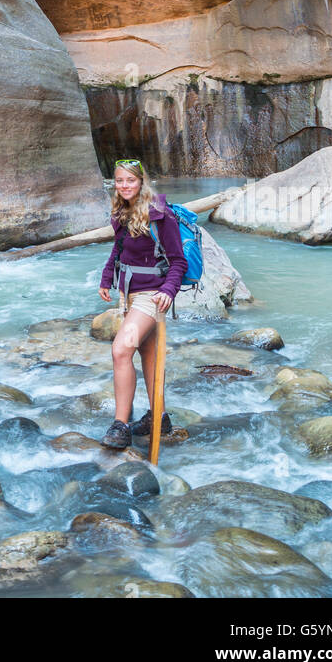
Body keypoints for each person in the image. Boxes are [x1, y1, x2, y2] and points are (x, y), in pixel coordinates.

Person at [97, 157, 186, 450]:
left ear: (141, 182)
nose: (124, 186)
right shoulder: (121, 211)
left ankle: (120, 425)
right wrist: (106, 277)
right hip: (130, 295)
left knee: (121, 350)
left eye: (130, 181)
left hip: (152, 297)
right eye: (119, 181)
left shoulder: (161, 214)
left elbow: (178, 261)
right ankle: (157, 418)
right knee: (149, 355)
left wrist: (170, 290)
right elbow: (119, 248)